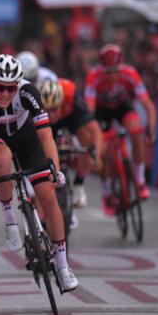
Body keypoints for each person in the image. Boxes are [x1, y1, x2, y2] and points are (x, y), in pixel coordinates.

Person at [0, 54, 79, 293]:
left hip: (25, 136)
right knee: (2, 158)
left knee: (48, 196)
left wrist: (55, 169)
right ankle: (10, 220)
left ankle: (62, 266)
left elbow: (46, 135)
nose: (5, 94)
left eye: (10, 88)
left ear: (17, 85)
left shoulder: (28, 92)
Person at [84, 44, 156, 211]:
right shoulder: (94, 76)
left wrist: (151, 130)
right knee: (102, 151)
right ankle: (107, 192)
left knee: (136, 131)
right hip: (102, 111)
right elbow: (89, 110)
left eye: (116, 70)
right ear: (102, 69)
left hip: (122, 106)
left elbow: (148, 105)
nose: (113, 75)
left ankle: (140, 181)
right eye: (108, 71)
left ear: (121, 66)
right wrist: (94, 139)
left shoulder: (130, 73)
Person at [38, 78, 103, 214]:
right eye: (47, 110)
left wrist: (96, 154)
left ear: (61, 103)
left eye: (54, 109)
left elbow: (95, 128)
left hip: (69, 117)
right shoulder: (35, 103)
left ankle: (79, 182)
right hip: (43, 124)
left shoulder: (72, 96)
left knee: (86, 137)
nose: (51, 114)